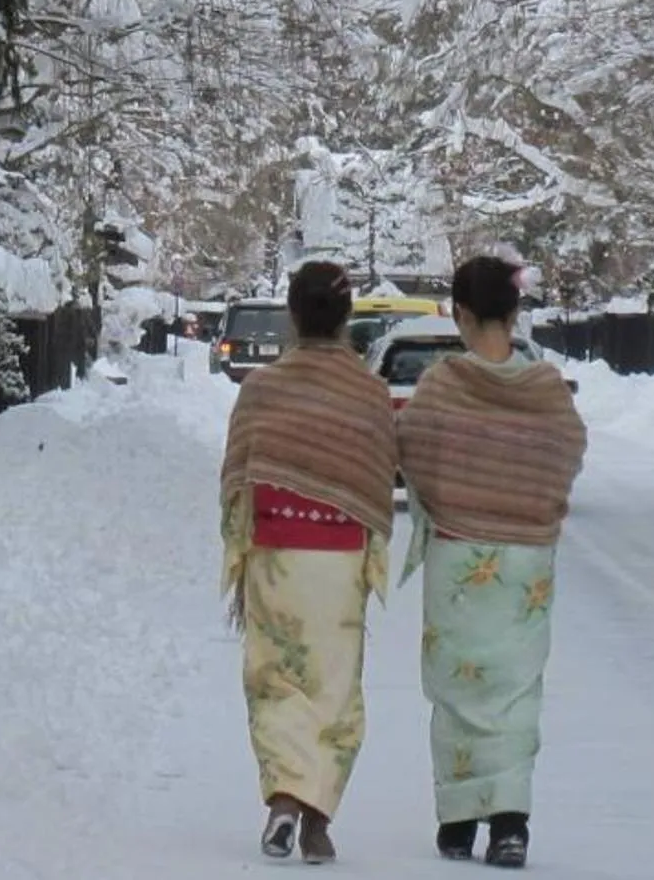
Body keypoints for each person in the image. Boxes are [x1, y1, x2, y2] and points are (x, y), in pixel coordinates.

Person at [395, 255, 588, 870]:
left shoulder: (444, 386)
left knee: (456, 686)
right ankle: (511, 822)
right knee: (516, 688)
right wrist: (534, 505)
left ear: (460, 314)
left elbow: (414, 455)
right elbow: (568, 451)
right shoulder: (547, 390)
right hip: (526, 563)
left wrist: (456, 496)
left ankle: (456, 820)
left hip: (458, 555)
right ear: (514, 312)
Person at [218, 260, 397, 864]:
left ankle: (283, 803)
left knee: (276, 680)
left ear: (293, 315)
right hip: (340, 560)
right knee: (335, 688)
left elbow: (239, 476)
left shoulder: (261, 389)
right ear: (347, 318)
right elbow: (376, 478)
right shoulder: (368, 392)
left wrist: (239, 549)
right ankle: (318, 820)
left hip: (275, 555)